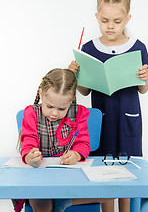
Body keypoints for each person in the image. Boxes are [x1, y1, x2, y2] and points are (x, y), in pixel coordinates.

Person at [69, 0, 148, 212]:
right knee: (104, 171)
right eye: (105, 20)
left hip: (127, 119)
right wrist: (76, 75)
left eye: (117, 21)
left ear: (128, 19)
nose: (110, 26)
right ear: (97, 17)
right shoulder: (88, 49)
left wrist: (145, 78)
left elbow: (143, 90)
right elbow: (84, 91)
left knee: (127, 171)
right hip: (102, 119)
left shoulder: (137, 47)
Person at [12, 68, 111, 212]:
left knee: (109, 194)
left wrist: (76, 154)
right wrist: (30, 157)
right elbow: (28, 142)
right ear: (41, 94)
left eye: (61, 109)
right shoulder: (31, 113)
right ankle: (61, 201)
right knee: (42, 203)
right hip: (39, 179)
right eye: (49, 106)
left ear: (70, 102)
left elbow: (83, 143)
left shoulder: (79, 113)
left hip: (69, 177)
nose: (54, 113)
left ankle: (62, 201)